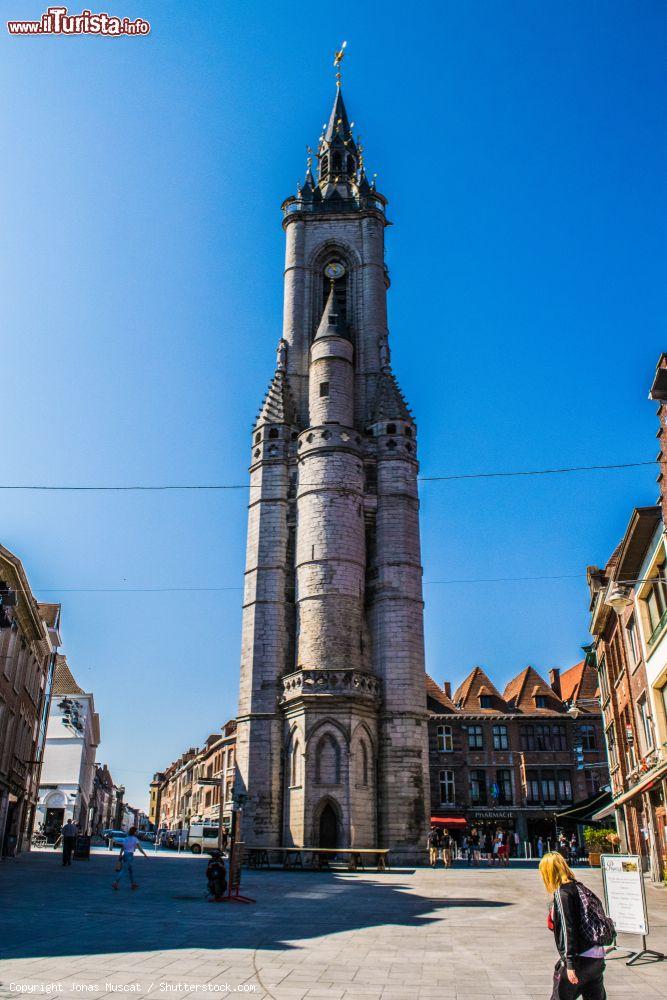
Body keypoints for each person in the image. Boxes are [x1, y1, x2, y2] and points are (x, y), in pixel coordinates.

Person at [539, 852, 608, 1000]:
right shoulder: (581, 888)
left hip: (578, 959)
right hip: (596, 956)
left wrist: (569, 964)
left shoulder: (562, 893)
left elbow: (567, 928)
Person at [112, 826, 148, 891]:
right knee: (124, 870)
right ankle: (115, 882)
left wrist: (120, 855)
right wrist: (144, 854)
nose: (137, 833)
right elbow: (140, 848)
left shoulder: (126, 838)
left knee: (130, 871)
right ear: (134, 832)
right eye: (136, 831)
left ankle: (133, 884)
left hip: (125, 855)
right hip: (129, 856)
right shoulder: (135, 839)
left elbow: (122, 847)